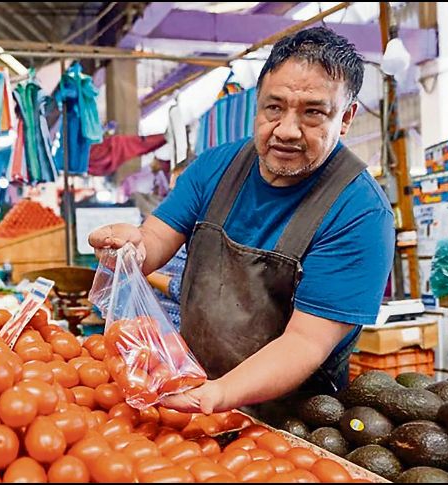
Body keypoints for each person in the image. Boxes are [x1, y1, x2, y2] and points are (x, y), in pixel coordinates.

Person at [88, 27, 395, 420]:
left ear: (347, 117)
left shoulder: (360, 213)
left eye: (313, 112)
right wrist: (131, 246)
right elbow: (154, 239)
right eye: (274, 107)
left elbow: (305, 341)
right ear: (257, 103)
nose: (286, 130)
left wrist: (216, 394)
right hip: (193, 387)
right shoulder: (216, 167)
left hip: (296, 421)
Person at [147, 161, 190, 329]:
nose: (173, 199)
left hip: (182, 339)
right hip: (156, 333)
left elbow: (186, 292)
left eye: (179, 192)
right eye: (171, 191)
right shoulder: (166, 229)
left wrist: (147, 273)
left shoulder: (206, 236)